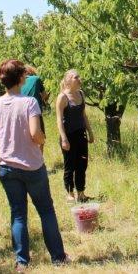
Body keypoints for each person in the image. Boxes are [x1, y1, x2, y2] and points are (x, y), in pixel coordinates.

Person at [0, 59, 68, 270]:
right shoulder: (29, 103)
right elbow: (35, 134)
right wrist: (42, 139)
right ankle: (58, 258)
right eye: (24, 74)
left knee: (18, 214)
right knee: (46, 211)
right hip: (32, 166)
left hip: (6, 166)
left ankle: (22, 262)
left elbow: (0, 131)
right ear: (20, 78)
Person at [55, 69, 94, 202]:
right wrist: (64, 139)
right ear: (68, 80)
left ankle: (81, 193)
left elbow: (83, 115)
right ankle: (70, 193)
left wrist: (90, 131)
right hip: (68, 135)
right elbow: (59, 120)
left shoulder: (81, 94)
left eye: (79, 77)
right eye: (76, 77)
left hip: (80, 134)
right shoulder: (62, 97)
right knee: (69, 165)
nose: (79, 79)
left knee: (82, 163)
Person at [21, 65, 49, 152]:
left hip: (21, 113)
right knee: (41, 138)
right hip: (35, 112)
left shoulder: (18, 82)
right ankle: (39, 160)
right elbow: (44, 96)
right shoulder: (36, 79)